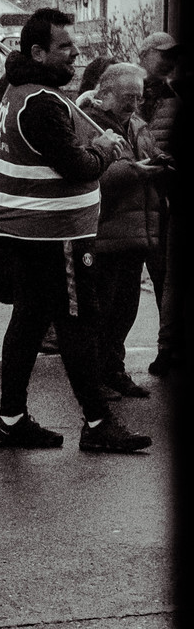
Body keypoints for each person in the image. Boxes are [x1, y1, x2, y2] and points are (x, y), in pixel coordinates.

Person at [0, 8, 148, 452]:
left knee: (30, 320)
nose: (75, 53)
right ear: (36, 52)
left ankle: (11, 420)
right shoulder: (40, 102)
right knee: (79, 323)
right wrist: (103, 150)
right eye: (64, 47)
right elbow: (77, 167)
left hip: (26, 228)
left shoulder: (14, 90)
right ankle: (97, 423)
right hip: (53, 231)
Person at [89, 61, 165, 399]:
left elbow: (150, 154)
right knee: (101, 311)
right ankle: (95, 376)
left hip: (135, 232)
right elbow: (95, 176)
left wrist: (162, 161)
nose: (134, 104)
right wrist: (137, 171)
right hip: (105, 233)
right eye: (127, 97)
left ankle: (114, 370)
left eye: (137, 97)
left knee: (125, 310)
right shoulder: (88, 124)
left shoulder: (137, 125)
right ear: (105, 94)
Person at [138, 31, 180, 375]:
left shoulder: (174, 98)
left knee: (165, 277)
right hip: (128, 201)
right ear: (145, 53)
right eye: (163, 54)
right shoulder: (123, 90)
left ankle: (167, 348)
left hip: (162, 202)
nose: (168, 60)